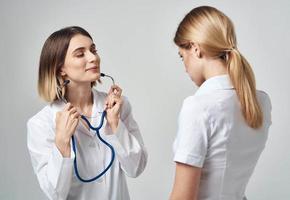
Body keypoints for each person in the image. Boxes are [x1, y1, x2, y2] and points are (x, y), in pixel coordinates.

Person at [27, 26, 147, 200]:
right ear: (61, 68)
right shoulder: (41, 123)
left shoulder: (118, 106)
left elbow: (136, 168)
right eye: (80, 54)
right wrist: (61, 142)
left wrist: (115, 125)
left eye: (93, 50)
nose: (93, 58)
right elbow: (55, 194)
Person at [170, 6, 272, 200]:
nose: (184, 68)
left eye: (182, 57)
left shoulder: (198, 107)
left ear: (195, 48)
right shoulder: (262, 102)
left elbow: (182, 197)